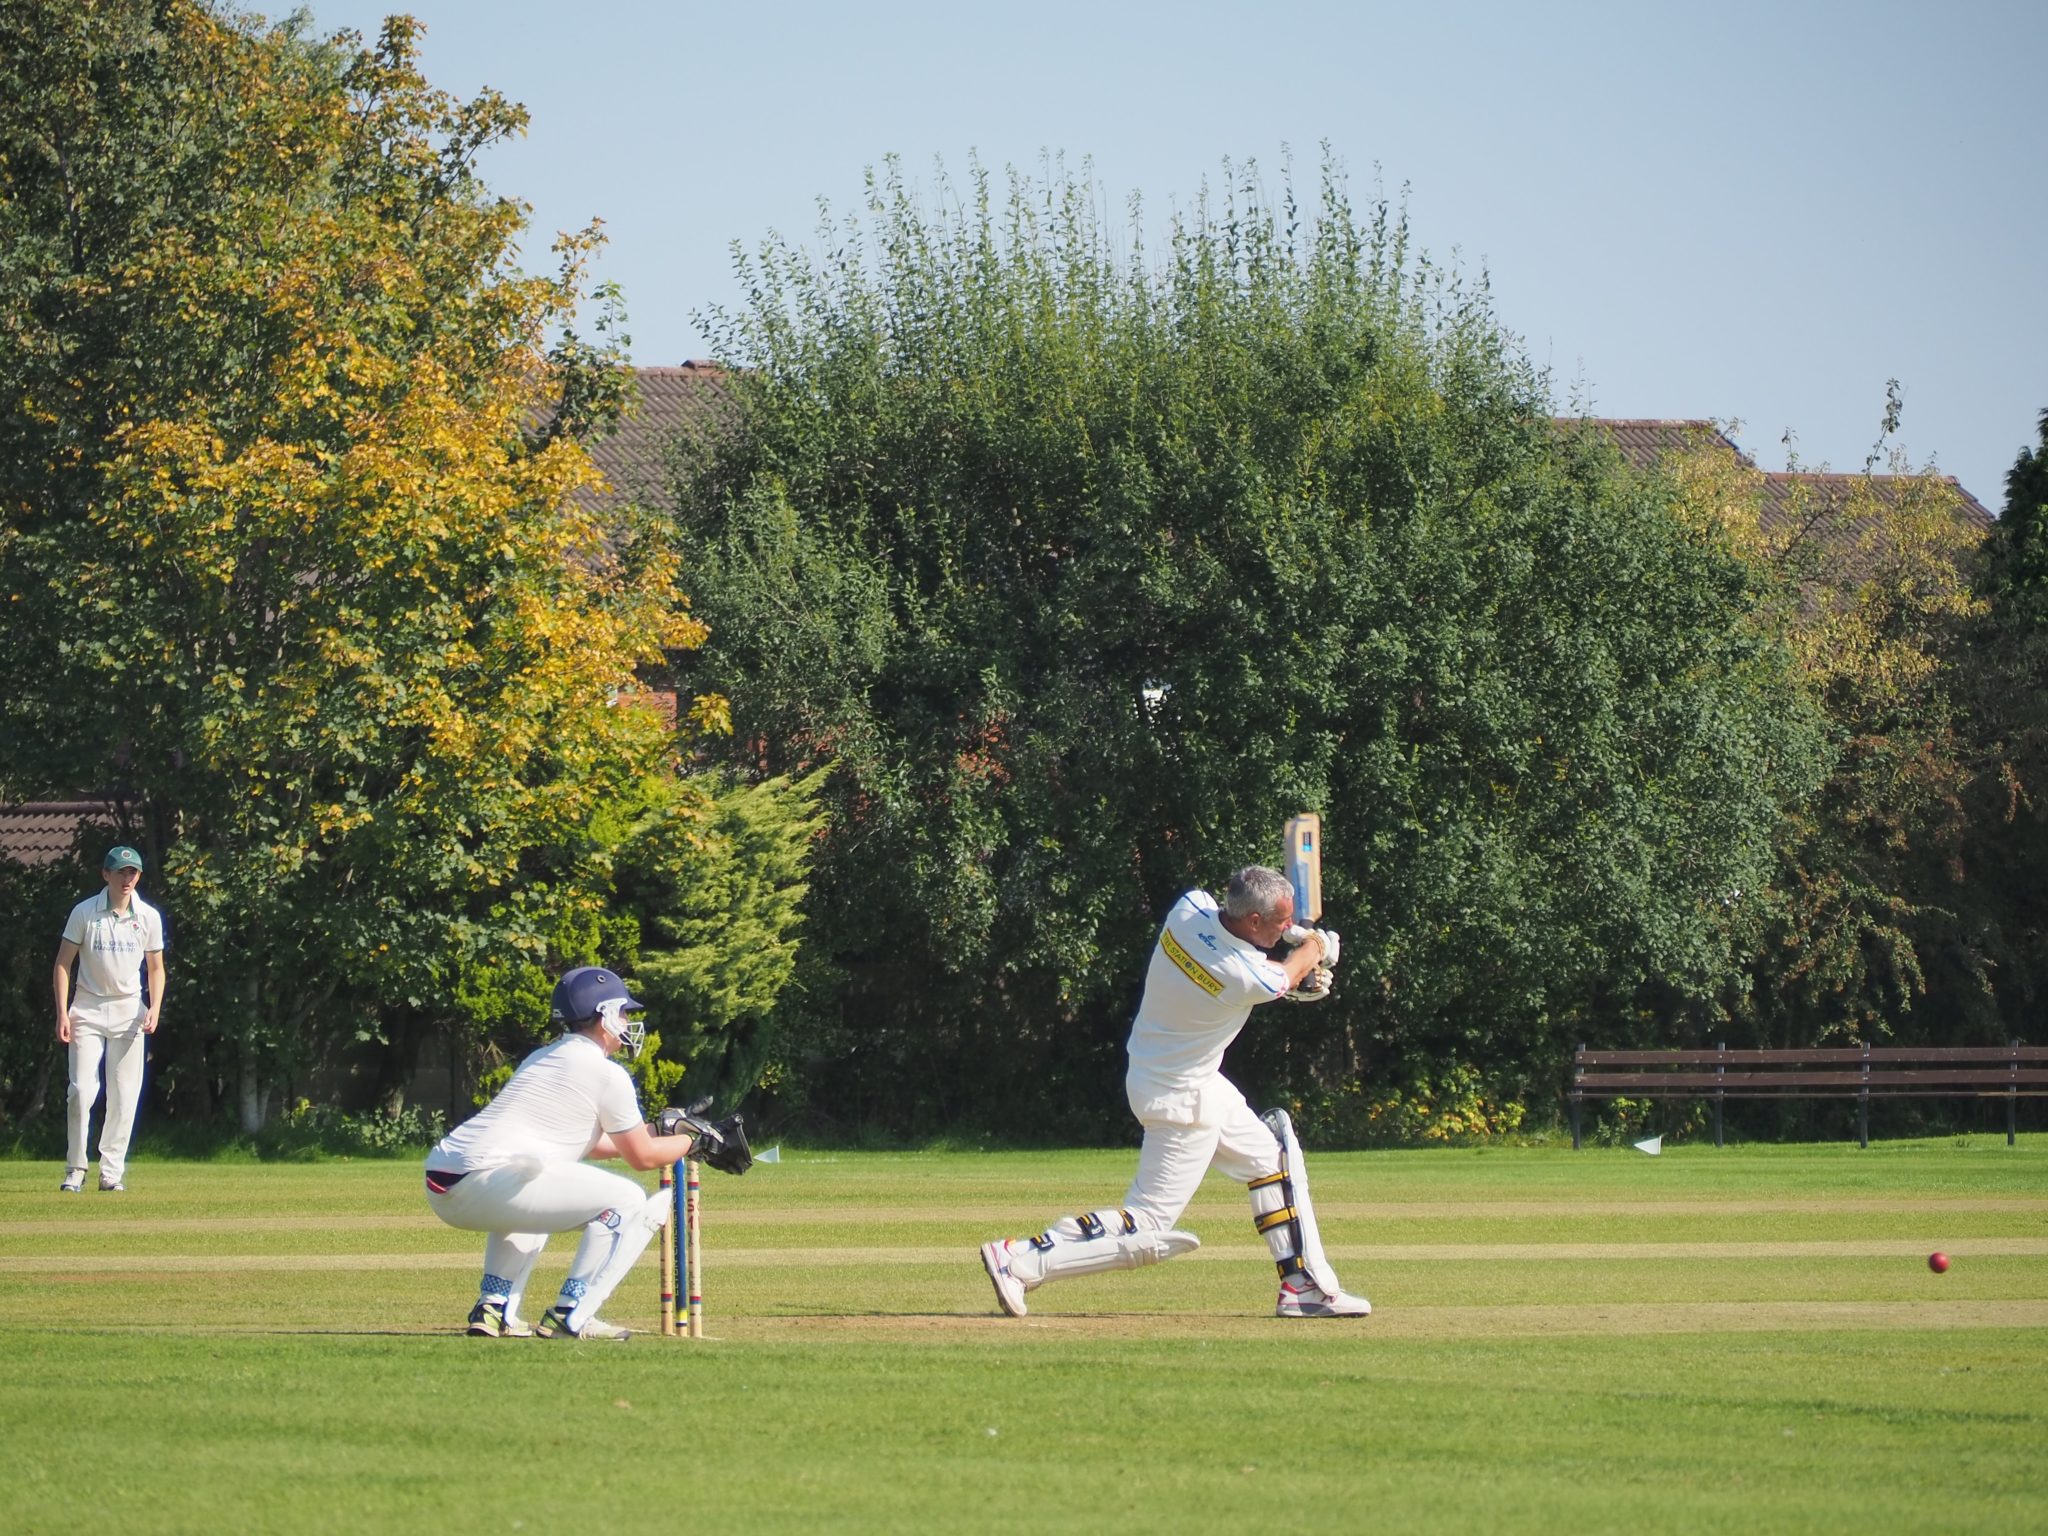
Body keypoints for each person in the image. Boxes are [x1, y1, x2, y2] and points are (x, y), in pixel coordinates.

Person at [978, 865, 1372, 1320]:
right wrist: (1316, 947)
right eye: (1280, 921)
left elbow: (1260, 973)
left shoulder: (1189, 909)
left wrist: (1297, 962)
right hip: (1183, 1099)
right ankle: (1021, 1259)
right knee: (1147, 1222)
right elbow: (1272, 979)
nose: (1287, 927)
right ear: (1253, 921)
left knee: (1272, 1159)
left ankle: (1304, 1286)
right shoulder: (1244, 976)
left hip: (1172, 1075)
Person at [423, 965, 747, 1341]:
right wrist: (699, 1141)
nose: (628, 1021)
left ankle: (495, 1308)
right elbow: (640, 1158)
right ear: (605, 1014)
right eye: (624, 1012)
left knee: (535, 1187)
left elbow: (593, 1144)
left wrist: (662, 1129)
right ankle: (570, 1311)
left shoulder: (543, 1058)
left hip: (445, 1178)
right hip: (489, 1178)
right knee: (626, 1199)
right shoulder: (607, 1074)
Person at [53, 844, 167, 1193]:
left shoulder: (147, 917)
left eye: (132, 872)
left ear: (139, 876)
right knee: (81, 1091)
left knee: (124, 1094)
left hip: (129, 1009)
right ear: (106, 874)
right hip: (86, 1008)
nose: (126, 878)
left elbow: (156, 968)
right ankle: (76, 1169)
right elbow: (62, 963)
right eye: (120, 871)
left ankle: (111, 1172)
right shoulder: (85, 912)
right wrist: (62, 1012)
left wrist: (155, 1007)